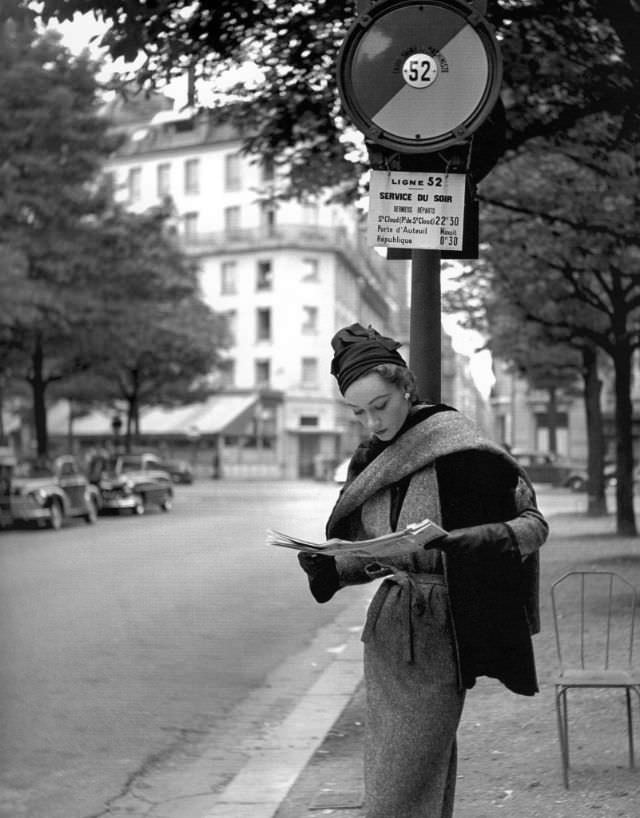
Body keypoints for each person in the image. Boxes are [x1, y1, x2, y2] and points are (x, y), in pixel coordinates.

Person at [297, 323, 549, 818]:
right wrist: (332, 563)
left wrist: (465, 543)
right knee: (409, 779)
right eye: (359, 412)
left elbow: (533, 526)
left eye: (381, 405)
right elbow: (373, 550)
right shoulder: (370, 458)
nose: (371, 422)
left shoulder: (460, 448)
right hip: (389, 633)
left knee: (400, 787)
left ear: (406, 388)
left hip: (443, 633)